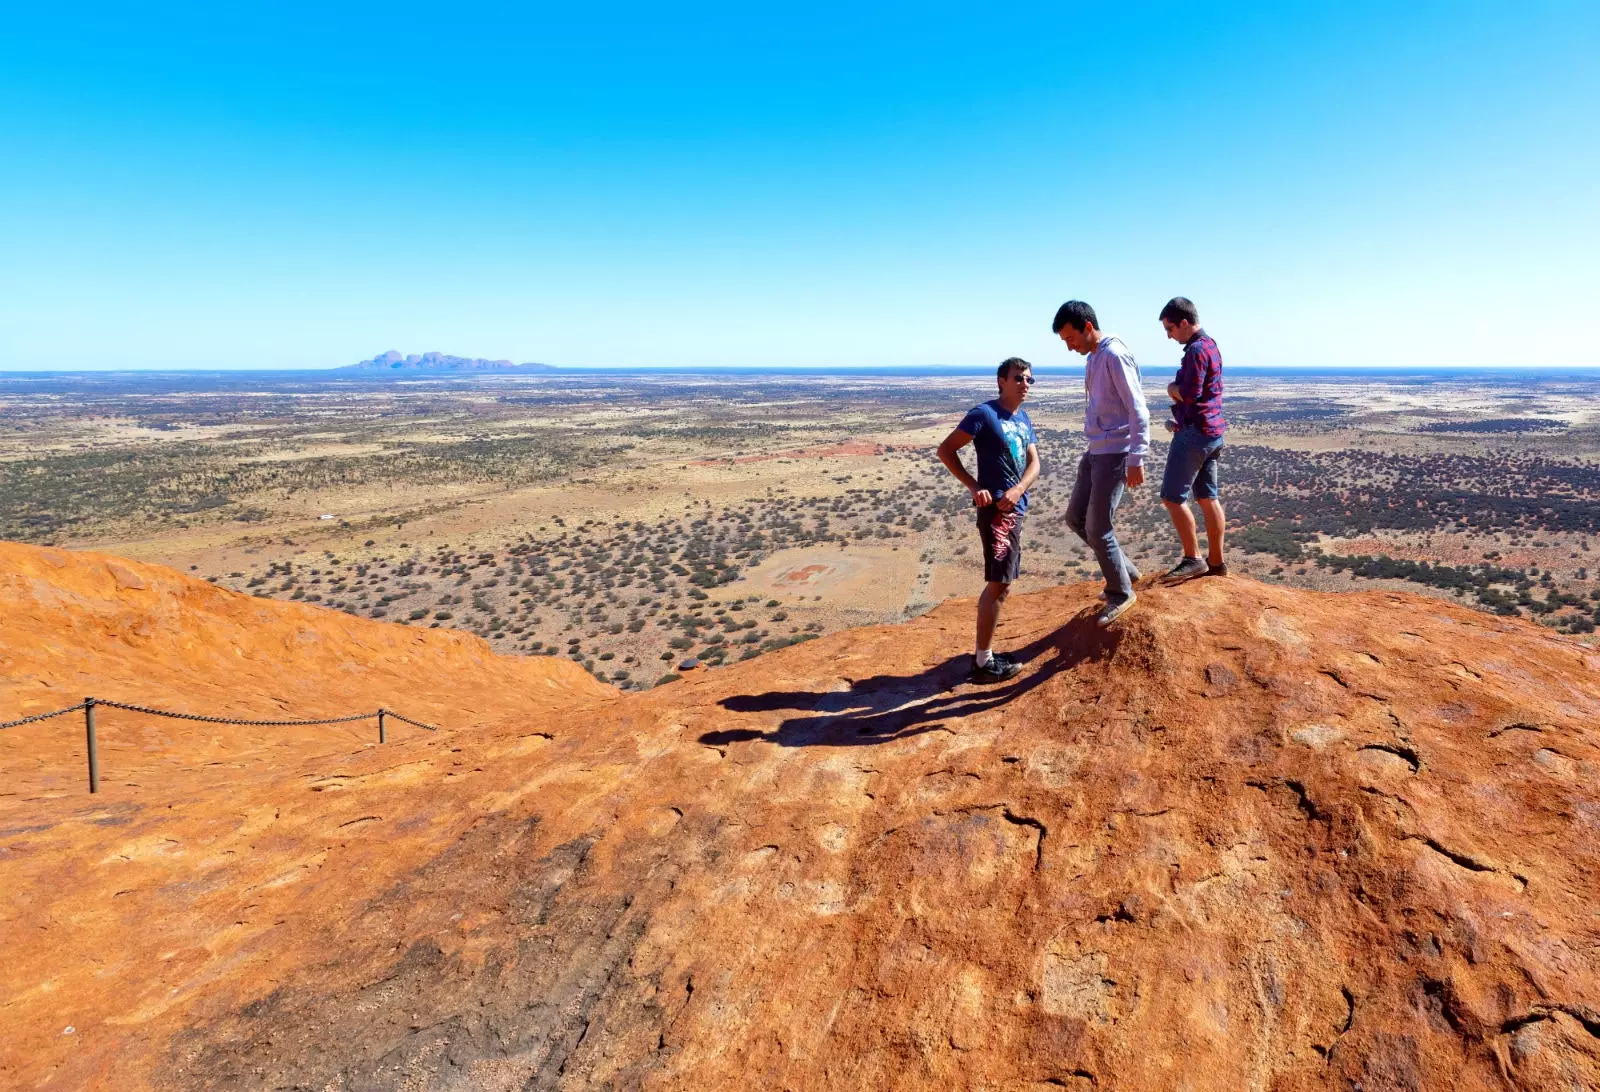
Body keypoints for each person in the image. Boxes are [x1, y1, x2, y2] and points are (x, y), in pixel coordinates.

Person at [936, 357, 1041, 681]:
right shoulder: (984, 414)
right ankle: (983, 663)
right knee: (999, 584)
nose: (1025, 384)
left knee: (1003, 582)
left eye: (1029, 380)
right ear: (1001, 381)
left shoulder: (1022, 418)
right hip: (996, 513)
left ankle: (985, 656)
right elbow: (946, 450)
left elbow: (1034, 462)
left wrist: (1019, 489)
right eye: (1019, 378)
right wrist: (974, 486)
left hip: (1015, 507)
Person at [1052, 300, 1149, 627]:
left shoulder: (1114, 355)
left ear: (1088, 327)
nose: (1069, 347)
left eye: (1070, 338)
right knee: (1075, 518)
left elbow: (1138, 409)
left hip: (1117, 453)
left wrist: (1136, 457)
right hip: (1096, 450)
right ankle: (1127, 573)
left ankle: (1121, 592)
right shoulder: (1094, 358)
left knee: (1098, 526)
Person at [1155, 297, 1228, 582]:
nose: (1169, 335)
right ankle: (1217, 562)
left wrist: (1171, 388)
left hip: (1195, 434)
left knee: (1172, 497)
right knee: (1208, 497)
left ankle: (1192, 558)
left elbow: (1189, 393)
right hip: (1212, 432)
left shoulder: (1196, 350)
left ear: (1184, 322)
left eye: (1170, 328)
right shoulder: (1212, 346)